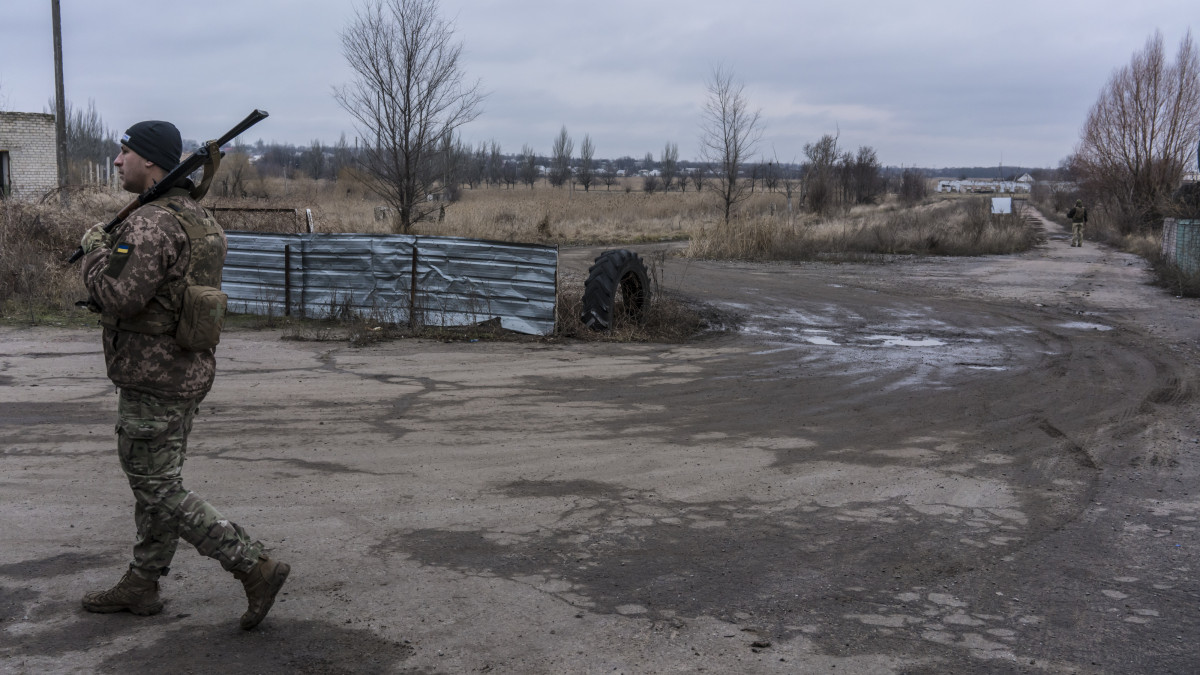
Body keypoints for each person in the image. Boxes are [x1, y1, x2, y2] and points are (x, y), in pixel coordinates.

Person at [78, 120, 289, 630]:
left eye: (123, 151)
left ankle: (252, 564)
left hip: (153, 376)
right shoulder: (197, 217)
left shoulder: (150, 224)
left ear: (150, 161)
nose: (116, 160)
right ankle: (143, 583)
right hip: (186, 369)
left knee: (156, 487)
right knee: (158, 481)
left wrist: (93, 255)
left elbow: (119, 295)